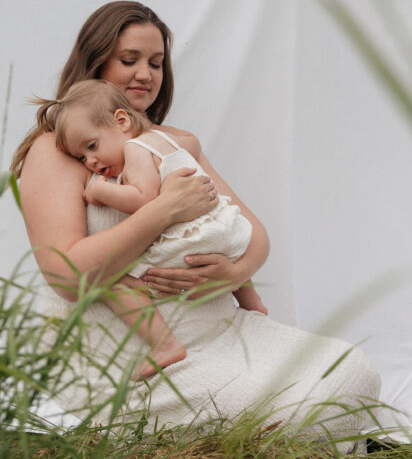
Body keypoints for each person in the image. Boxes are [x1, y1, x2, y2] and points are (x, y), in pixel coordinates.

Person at [12, 0, 380, 442]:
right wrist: (164, 209)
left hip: (218, 329)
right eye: (128, 60)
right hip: (129, 352)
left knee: (354, 374)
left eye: (156, 62)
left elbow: (253, 234)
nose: (145, 74)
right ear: (95, 62)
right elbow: (66, 276)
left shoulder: (173, 143)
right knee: (313, 408)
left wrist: (236, 272)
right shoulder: (60, 151)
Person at [33, 78, 256, 379]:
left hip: (193, 241)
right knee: (224, 244)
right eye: (82, 158)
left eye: (92, 146)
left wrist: (101, 192)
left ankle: (164, 345)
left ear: (121, 121)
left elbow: (145, 198)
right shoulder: (167, 140)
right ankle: (251, 302)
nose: (91, 161)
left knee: (113, 281)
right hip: (224, 231)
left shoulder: (136, 150)